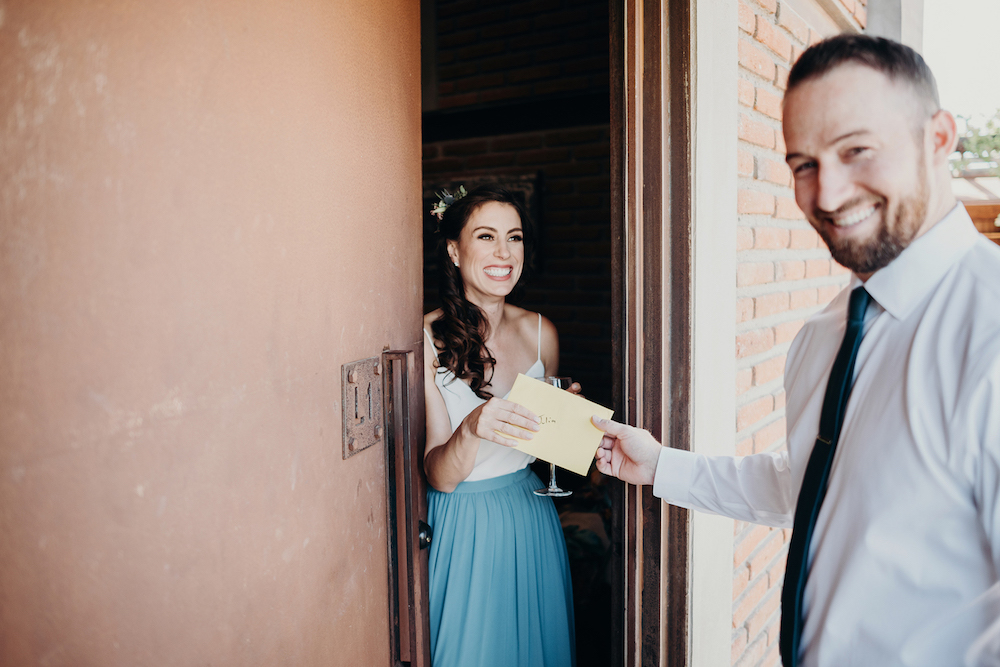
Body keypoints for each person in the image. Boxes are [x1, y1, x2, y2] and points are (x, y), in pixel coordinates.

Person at [592, 35, 1000, 667]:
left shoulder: (990, 326)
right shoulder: (825, 333)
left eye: (856, 150)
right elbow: (809, 484)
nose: (828, 195)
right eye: (803, 164)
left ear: (940, 138)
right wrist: (660, 467)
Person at [422, 184, 576, 667]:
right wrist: (472, 427)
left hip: (531, 514)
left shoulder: (539, 332)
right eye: (486, 237)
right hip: (464, 523)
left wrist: (567, 423)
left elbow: (550, 446)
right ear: (454, 249)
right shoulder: (425, 338)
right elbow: (439, 475)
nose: (505, 253)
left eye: (515, 237)